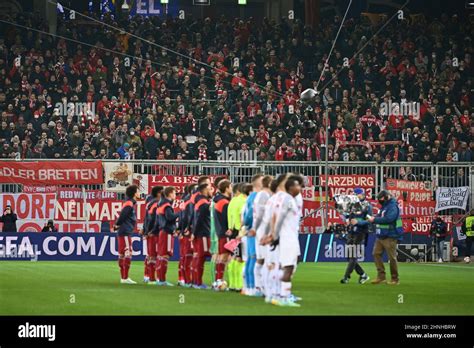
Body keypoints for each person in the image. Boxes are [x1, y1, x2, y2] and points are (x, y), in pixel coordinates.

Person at [268, 174, 302, 307]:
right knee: (288, 267)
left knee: (289, 266)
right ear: (291, 187)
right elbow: (279, 217)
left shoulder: (290, 199)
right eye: (297, 185)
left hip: (291, 237)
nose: (299, 188)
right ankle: (283, 296)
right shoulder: (288, 199)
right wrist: (275, 236)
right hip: (288, 238)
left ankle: (281, 295)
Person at [367, 190, 404, 285]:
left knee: (392, 258)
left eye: (381, 199)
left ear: (386, 197)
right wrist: (374, 218)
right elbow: (381, 217)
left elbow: (389, 219)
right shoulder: (384, 206)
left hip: (390, 235)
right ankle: (381, 276)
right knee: (376, 253)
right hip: (381, 235)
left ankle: (395, 279)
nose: (380, 201)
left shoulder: (392, 206)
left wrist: (374, 219)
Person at [340, 187, 371, 284]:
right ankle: (363, 275)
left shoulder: (367, 205)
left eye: (356, 194)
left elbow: (369, 220)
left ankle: (346, 277)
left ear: (362, 194)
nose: (354, 196)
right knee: (349, 257)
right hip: (352, 232)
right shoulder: (352, 205)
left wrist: (358, 222)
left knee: (352, 256)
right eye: (354, 194)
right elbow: (348, 216)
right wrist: (345, 217)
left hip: (360, 232)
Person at [114, 184, 140, 284]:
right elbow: (123, 215)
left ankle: (123, 277)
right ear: (134, 193)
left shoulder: (129, 203)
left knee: (122, 254)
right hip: (125, 231)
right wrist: (117, 224)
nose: (139, 193)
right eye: (137, 191)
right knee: (127, 253)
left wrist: (117, 225)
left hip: (124, 231)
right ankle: (125, 277)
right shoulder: (129, 203)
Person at [242, 174, 263, 296]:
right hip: (254, 232)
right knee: (253, 258)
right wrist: (250, 227)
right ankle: (253, 287)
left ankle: (248, 287)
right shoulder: (255, 197)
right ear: (257, 184)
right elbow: (249, 215)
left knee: (250, 258)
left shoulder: (250, 197)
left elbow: (245, 216)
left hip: (250, 231)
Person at [253, 175, 273, 297]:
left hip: (261, 229)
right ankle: (264, 288)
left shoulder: (261, 195)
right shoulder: (264, 195)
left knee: (261, 259)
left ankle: (259, 286)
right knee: (266, 259)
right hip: (263, 230)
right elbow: (262, 214)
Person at [155, 186, 180, 286]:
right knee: (165, 255)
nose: (175, 195)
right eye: (174, 193)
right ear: (169, 194)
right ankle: (162, 280)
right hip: (167, 232)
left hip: (162, 231)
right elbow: (170, 218)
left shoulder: (161, 204)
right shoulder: (166, 205)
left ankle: (160, 279)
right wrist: (180, 213)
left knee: (161, 255)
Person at [191, 183, 212, 289]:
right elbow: (199, 219)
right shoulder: (204, 203)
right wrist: (194, 233)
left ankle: (195, 281)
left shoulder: (199, 202)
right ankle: (198, 283)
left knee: (197, 256)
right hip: (203, 233)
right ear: (204, 190)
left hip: (199, 233)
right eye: (209, 189)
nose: (211, 190)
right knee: (201, 257)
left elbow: (195, 218)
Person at [211, 178, 232, 286]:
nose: (232, 189)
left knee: (222, 257)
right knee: (224, 256)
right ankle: (219, 279)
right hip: (225, 233)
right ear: (226, 188)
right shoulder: (224, 202)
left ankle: (218, 279)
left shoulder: (219, 201)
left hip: (220, 232)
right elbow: (227, 218)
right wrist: (230, 229)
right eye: (230, 187)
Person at [227, 183, 247, 292]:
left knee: (234, 256)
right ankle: (239, 285)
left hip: (233, 230)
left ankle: (232, 284)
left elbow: (229, 215)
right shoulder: (243, 201)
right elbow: (242, 216)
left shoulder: (232, 201)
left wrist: (230, 227)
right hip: (240, 231)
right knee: (241, 258)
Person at [142, 186, 163, 283]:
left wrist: (145, 230)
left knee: (150, 254)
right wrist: (149, 231)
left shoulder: (150, 203)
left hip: (150, 232)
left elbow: (146, 218)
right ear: (159, 193)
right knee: (154, 255)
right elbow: (151, 219)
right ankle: (152, 278)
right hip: (154, 233)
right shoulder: (155, 204)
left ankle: (147, 276)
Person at [178, 183, 197, 287]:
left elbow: (182, 216)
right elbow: (187, 216)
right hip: (189, 231)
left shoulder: (184, 200)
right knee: (190, 255)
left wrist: (180, 229)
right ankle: (189, 280)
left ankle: (184, 279)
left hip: (184, 230)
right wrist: (187, 228)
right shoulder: (190, 201)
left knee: (185, 256)